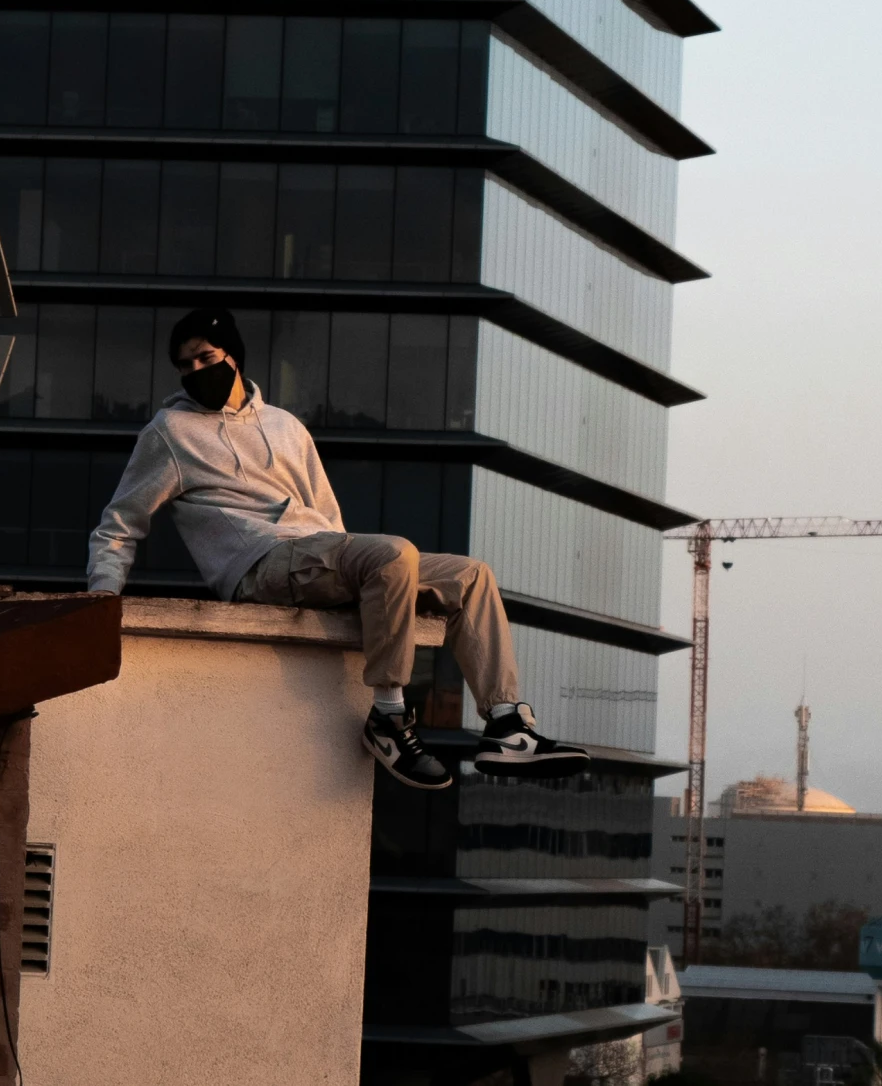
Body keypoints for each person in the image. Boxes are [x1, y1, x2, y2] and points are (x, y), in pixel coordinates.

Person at [86, 302, 590, 791]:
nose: (194, 371)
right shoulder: (170, 433)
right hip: (258, 565)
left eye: (205, 358)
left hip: (315, 553)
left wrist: (365, 580)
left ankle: (505, 723)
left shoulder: (285, 426)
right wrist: (102, 599)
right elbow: (119, 522)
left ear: (233, 358)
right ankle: (388, 716)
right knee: (393, 553)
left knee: (470, 575)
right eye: (185, 364)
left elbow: (328, 516)